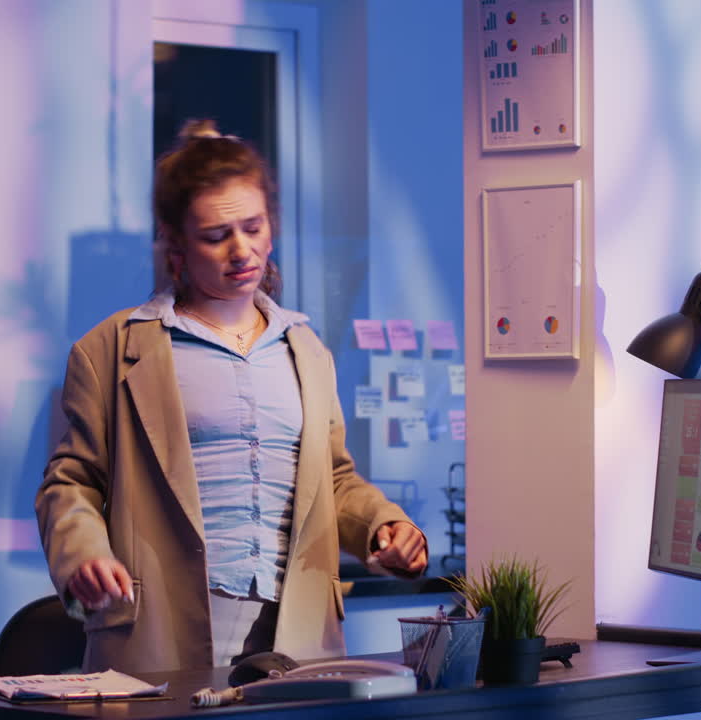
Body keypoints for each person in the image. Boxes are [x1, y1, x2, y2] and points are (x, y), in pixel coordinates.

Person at [36, 119, 428, 675]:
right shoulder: (109, 350)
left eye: (253, 227)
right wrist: (84, 554)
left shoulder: (307, 350)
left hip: (299, 631)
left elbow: (333, 480)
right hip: (161, 634)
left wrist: (383, 526)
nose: (241, 250)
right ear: (176, 243)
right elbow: (70, 483)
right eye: (216, 235)